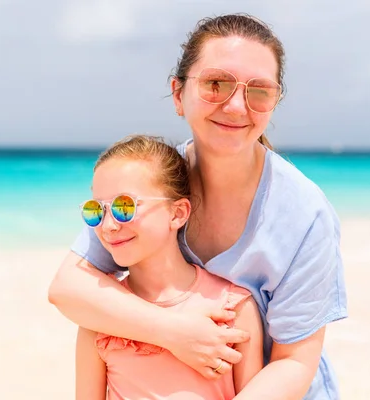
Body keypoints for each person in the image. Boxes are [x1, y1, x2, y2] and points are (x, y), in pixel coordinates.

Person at [49, 13, 347, 400]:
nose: (237, 106)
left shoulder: (306, 215)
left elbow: (294, 362)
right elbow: (69, 288)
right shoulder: (152, 181)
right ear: (178, 94)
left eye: (259, 91)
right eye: (216, 84)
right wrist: (173, 331)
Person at [75, 135, 264, 399]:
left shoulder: (233, 309)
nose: (108, 226)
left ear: (177, 213)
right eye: (96, 210)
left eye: (124, 207)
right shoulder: (100, 318)